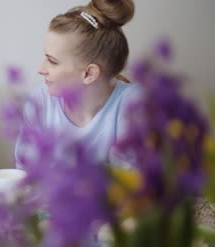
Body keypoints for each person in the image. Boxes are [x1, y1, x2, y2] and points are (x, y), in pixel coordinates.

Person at [16, 0, 140, 167]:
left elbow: (134, 184)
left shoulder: (132, 104)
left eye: (52, 61)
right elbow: (27, 171)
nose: (40, 69)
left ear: (89, 73)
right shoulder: (40, 101)